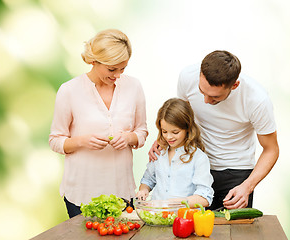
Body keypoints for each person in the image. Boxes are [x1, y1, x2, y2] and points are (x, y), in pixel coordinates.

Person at [149, 50, 279, 210]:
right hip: (193, 166)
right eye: (202, 91)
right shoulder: (187, 77)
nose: (205, 100)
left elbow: (271, 149)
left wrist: (247, 186)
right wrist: (164, 140)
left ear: (235, 85)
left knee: (233, 233)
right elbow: (182, 118)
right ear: (199, 74)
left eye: (215, 97)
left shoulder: (257, 100)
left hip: (236, 173)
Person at [49, 29, 148, 218]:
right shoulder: (69, 91)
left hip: (122, 191)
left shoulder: (134, 87)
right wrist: (82, 141)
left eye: (123, 69)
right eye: (112, 69)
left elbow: (142, 131)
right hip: (82, 193)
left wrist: (129, 138)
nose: (118, 75)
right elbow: (55, 140)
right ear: (94, 61)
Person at [137, 98, 214, 207]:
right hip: (157, 215)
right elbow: (148, 180)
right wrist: (143, 191)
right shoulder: (159, 152)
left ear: (187, 128)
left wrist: (171, 204)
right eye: (164, 131)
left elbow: (204, 197)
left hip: (183, 218)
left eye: (175, 132)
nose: (168, 137)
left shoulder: (199, 158)